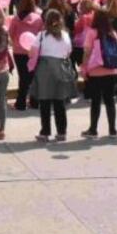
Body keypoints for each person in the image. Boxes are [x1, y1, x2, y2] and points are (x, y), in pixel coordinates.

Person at [30, 9, 75, 142]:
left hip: (44, 69)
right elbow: (68, 52)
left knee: (44, 101)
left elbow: (32, 52)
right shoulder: (65, 35)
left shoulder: (41, 35)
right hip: (60, 68)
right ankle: (61, 132)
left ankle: (45, 131)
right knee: (59, 101)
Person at [81, 9, 117, 138]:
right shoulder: (113, 34)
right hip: (111, 70)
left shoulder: (92, 33)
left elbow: (87, 52)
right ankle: (112, 129)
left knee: (96, 101)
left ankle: (93, 129)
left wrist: (84, 67)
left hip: (96, 71)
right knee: (110, 100)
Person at [8, 0, 43, 110]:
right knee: (33, 76)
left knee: (23, 77)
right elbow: (41, 34)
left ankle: (21, 102)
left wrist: (17, 42)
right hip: (33, 50)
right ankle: (34, 101)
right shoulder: (38, 18)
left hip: (18, 51)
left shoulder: (15, 19)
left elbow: (11, 35)